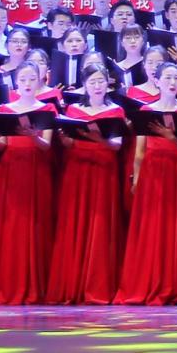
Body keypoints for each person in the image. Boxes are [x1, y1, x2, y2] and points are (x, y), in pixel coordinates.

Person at [116, 63, 177, 305]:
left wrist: (171, 138)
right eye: (167, 78)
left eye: (175, 78)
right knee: (151, 226)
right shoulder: (146, 110)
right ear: (157, 80)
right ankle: (148, 280)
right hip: (152, 174)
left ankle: (174, 283)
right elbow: (140, 150)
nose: (172, 82)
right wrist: (136, 178)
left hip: (176, 172)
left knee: (175, 224)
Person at [0, 62, 58, 305]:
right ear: (15, 82)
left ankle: (34, 285)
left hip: (36, 170)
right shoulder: (5, 109)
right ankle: (8, 283)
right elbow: (2, 145)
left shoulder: (47, 109)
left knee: (35, 224)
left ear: (40, 80)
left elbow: (46, 146)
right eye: (22, 79)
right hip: (10, 170)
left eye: (32, 78)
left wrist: (33, 136)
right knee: (10, 225)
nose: (27, 83)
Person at [48, 65, 125, 304]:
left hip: (103, 171)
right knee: (76, 222)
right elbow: (69, 144)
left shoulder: (116, 110)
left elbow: (117, 146)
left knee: (100, 224)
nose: (97, 86)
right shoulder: (73, 110)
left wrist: (98, 138)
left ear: (108, 84)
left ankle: (98, 286)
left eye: (101, 81)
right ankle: (73, 285)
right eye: (92, 81)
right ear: (84, 85)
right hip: (78, 170)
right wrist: (65, 139)